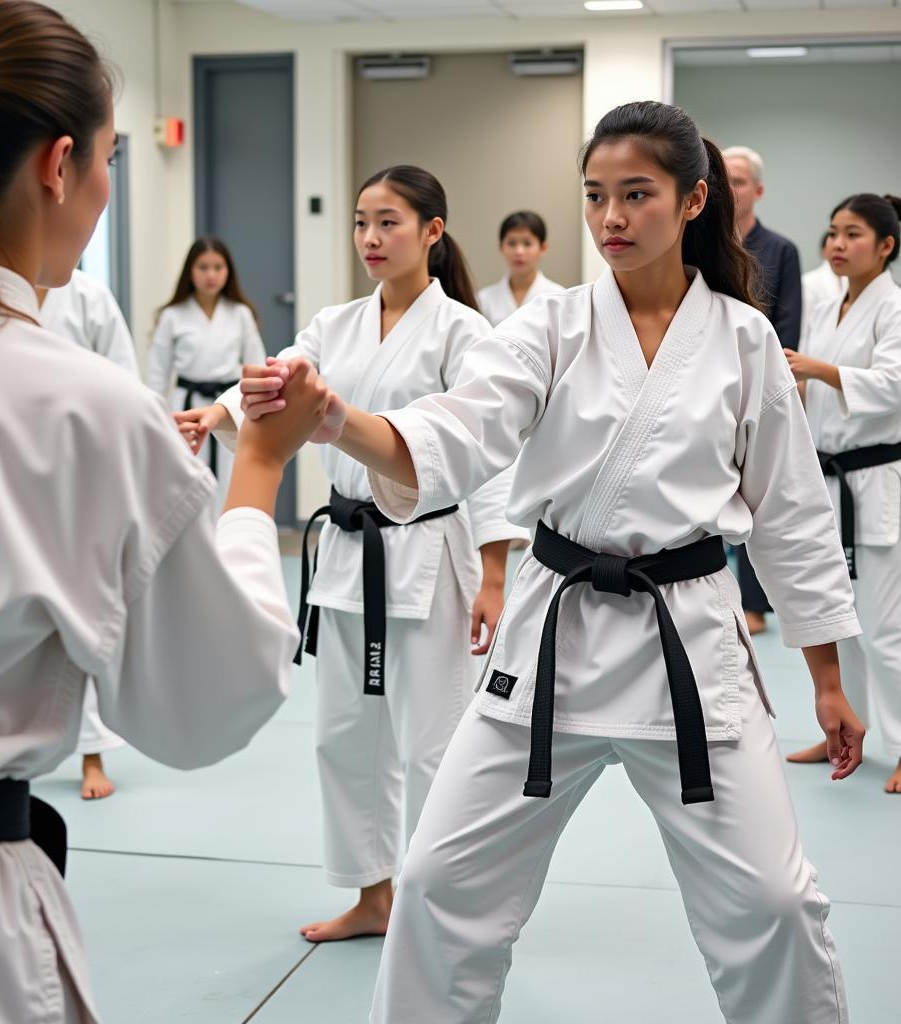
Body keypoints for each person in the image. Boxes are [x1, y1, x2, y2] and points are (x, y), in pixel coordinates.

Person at [243, 101, 864, 1024]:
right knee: (439, 883)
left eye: (637, 195)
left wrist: (826, 676)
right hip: (552, 637)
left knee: (776, 904)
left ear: (695, 201)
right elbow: (460, 429)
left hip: (688, 643)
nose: (611, 217)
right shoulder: (551, 327)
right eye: (596, 196)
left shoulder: (743, 342)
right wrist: (335, 421)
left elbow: (794, 519)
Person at [0, 3, 330, 1021]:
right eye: (112, 158)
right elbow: (209, 699)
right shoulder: (76, 404)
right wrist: (257, 467)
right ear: (60, 164)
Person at [176, 166, 524, 943]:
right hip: (345, 550)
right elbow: (275, 383)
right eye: (363, 222)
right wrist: (216, 414)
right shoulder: (334, 324)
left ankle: (442, 901)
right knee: (343, 736)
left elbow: (491, 456)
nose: (371, 237)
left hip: (431, 549)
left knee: (435, 740)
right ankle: (374, 897)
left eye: (390, 222)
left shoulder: (466, 332)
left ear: (433, 231)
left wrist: (495, 573)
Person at [784, 194, 901, 794]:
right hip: (830, 483)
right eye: (831, 233)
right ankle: (844, 734)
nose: (836, 244)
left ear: (885, 246)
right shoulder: (830, 305)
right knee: (840, 620)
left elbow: (893, 386)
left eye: (852, 234)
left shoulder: (893, 307)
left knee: (885, 630)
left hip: (875, 485)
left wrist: (816, 369)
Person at [37, 268, 138, 799]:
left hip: (79, 475)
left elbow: (124, 385)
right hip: (9, 475)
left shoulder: (90, 299)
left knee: (86, 615)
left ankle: (92, 755)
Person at [722, 144, 804, 634]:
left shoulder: (780, 250)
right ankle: (722, 595)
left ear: (757, 190)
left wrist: (777, 379)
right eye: (724, 180)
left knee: (756, 496)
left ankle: (754, 603)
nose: (732, 190)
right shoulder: (701, 242)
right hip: (713, 380)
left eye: (739, 181)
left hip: (761, 378)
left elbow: (788, 319)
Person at [146, 237, 266, 507]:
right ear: (190, 271)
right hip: (186, 405)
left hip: (231, 407)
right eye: (203, 267)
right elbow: (157, 374)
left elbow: (257, 368)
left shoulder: (240, 314)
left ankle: (226, 543)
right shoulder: (172, 316)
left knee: (232, 475)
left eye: (217, 267)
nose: (211, 275)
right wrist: (157, 419)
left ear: (228, 272)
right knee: (186, 476)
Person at [477, 210, 564, 327]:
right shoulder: (483, 300)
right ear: (501, 247)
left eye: (527, 244)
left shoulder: (559, 297)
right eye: (512, 243)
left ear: (543, 248)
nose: (519, 251)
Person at [801, 231, 848, 345]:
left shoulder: (851, 280)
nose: (838, 246)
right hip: (817, 344)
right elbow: (805, 324)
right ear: (824, 251)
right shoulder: (808, 281)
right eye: (832, 236)